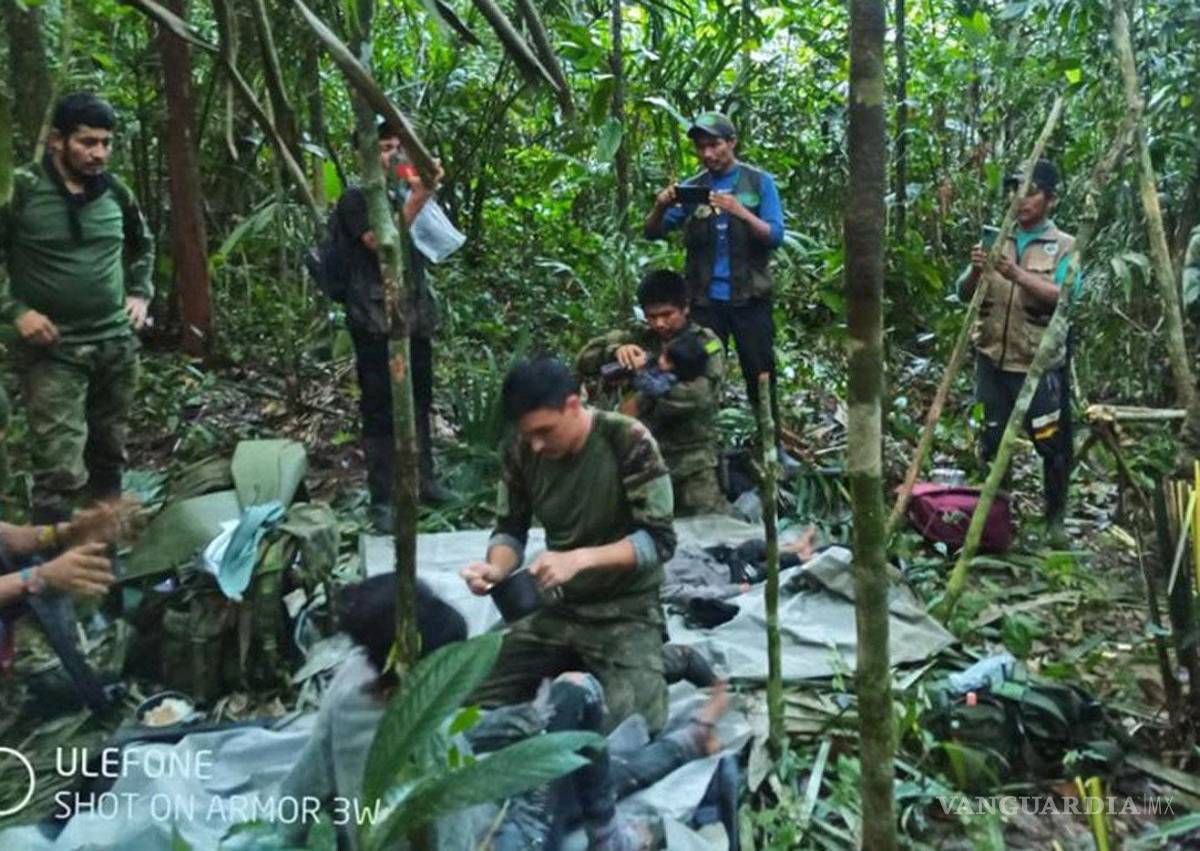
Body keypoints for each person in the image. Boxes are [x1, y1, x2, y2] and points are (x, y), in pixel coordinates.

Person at [461, 357, 676, 733]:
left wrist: (580, 559)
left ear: (574, 405)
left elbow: (658, 542)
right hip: (558, 608)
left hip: (625, 609)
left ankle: (669, 660)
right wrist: (496, 568)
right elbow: (510, 529)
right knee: (458, 690)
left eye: (545, 430)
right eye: (528, 434)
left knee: (637, 725)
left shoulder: (627, 440)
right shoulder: (523, 449)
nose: (537, 444)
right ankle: (574, 667)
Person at [0, 92, 153, 523]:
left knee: (109, 456)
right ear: (57, 141)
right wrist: (16, 312)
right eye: (87, 142)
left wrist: (140, 294)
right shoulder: (22, 191)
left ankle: (102, 565)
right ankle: (53, 576)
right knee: (60, 471)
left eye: (105, 142)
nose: (98, 153)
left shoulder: (115, 193)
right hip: (54, 351)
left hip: (114, 345)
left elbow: (143, 246)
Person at [642, 112, 798, 473]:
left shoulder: (758, 183)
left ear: (732, 142)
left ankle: (771, 448)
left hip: (750, 303)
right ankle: (694, 450)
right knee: (694, 371)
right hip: (704, 303)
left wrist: (739, 211)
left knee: (760, 373)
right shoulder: (692, 188)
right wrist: (662, 205)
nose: (708, 154)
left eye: (714, 144)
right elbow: (652, 232)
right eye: (701, 147)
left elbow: (774, 235)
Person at [956, 159, 1080, 546]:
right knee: (992, 441)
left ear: (1051, 199)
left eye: (1029, 191)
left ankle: (1054, 520)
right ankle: (998, 521)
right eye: (1014, 190)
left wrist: (1016, 275)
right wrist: (977, 272)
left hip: (1038, 364)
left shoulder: (1065, 246)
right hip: (992, 360)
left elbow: (1065, 298)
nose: (1019, 198)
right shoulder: (999, 237)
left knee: (1052, 444)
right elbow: (963, 293)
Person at [335, 121, 450, 530]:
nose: (394, 156)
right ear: (364, 154)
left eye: (399, 147)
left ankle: (424, 480)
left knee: (419, 400)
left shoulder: (402, 191)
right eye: (385, 147)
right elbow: (382, 243)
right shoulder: (356, 199)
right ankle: (383, 496)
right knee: (381, 408)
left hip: (413, 315)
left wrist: (423, 191)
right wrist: (419, 196)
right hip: (375, 320)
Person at [577, 270, 727, 516]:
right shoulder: (638, 337)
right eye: (651, 317)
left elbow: (699, 396)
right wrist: (616, 351)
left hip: (691, 462)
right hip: (640, 461)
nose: (659, 324)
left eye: (667, 315)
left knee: (710, 532)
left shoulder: (706, 343)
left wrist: (645, 386)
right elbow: (585, 360)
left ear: (685, 308)